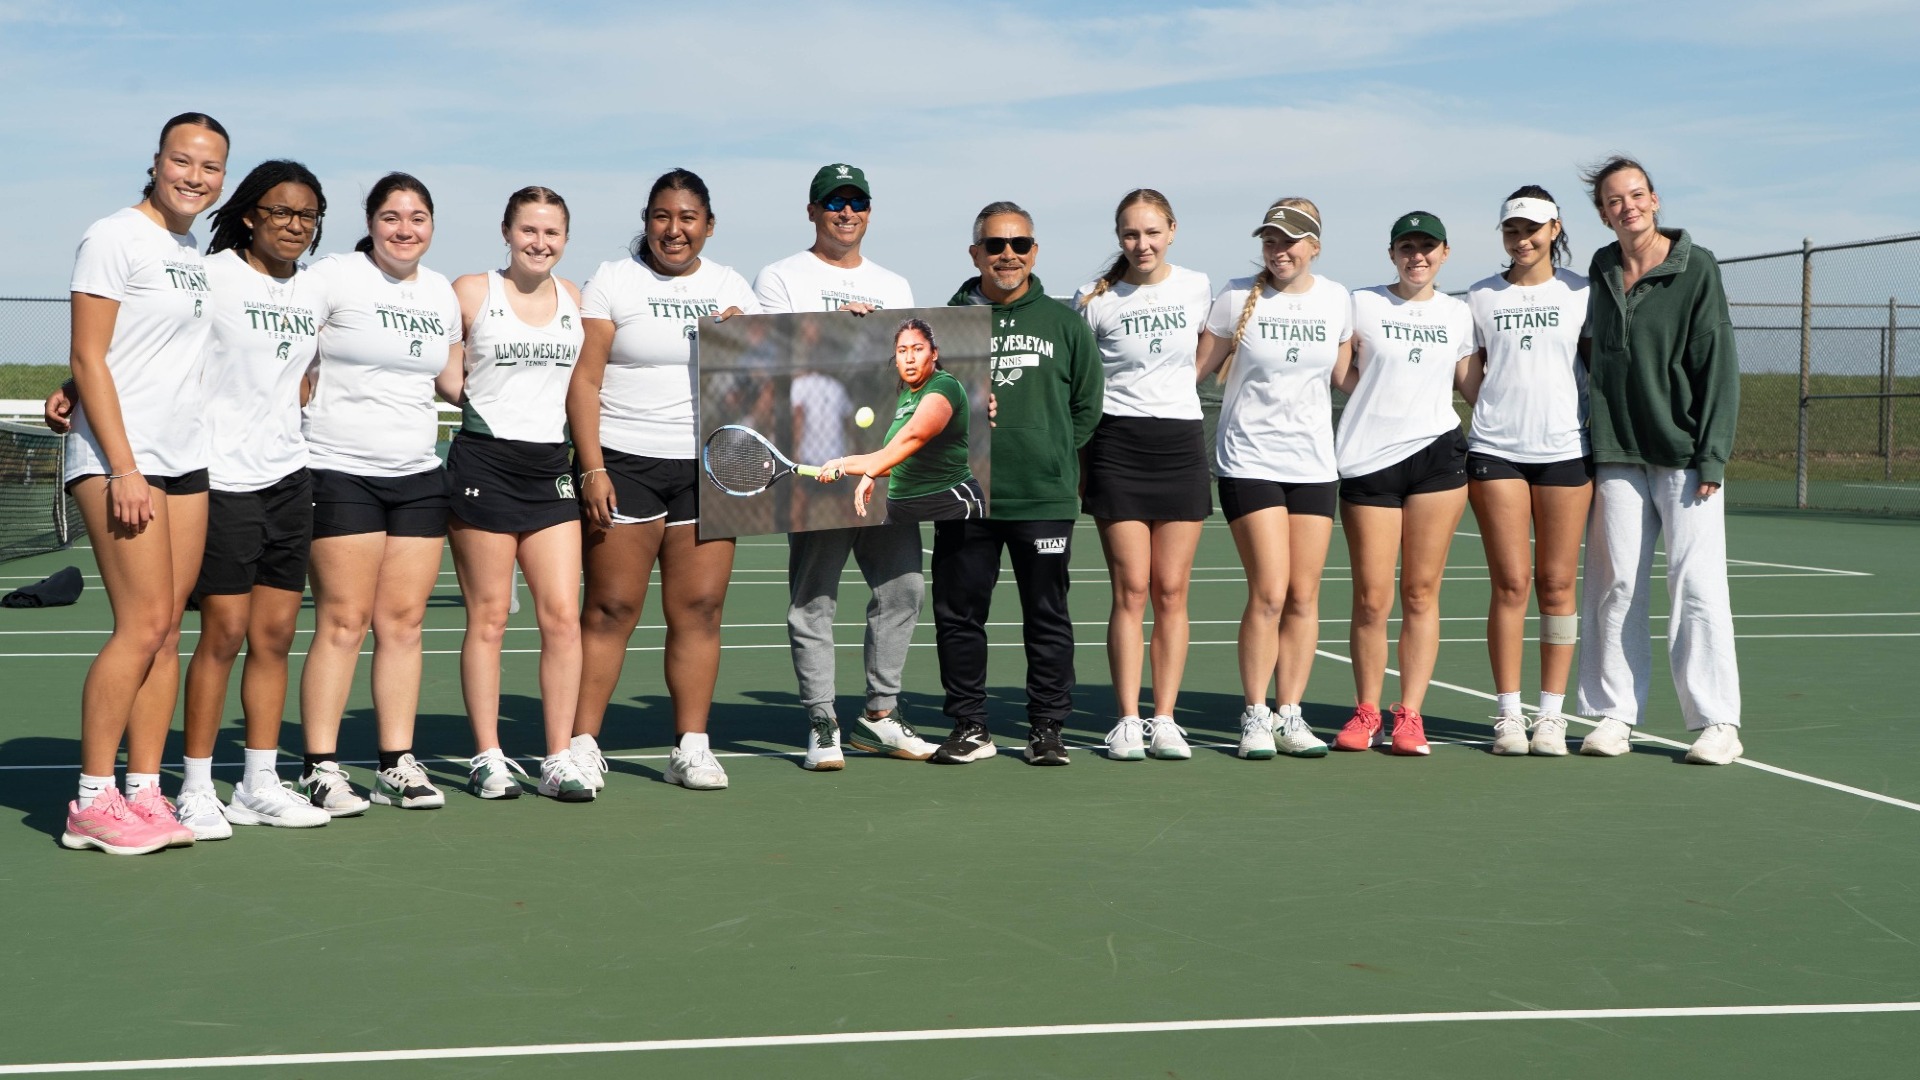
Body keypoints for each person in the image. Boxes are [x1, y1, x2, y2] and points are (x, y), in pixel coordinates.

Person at [57, 112, 228, 854]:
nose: (195, 176)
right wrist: (122, 465)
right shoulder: (113, 236)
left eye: (210, 167)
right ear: (156, 162)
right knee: (140, 626)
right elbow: (92, 356)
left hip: (187, 459)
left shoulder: (190, 251)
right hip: (121, 460)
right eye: (183, 161)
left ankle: (145, 791)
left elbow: (148, 346)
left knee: (167, 631)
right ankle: (91, 801)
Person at [567, 168, 755, 792]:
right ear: (646, 220)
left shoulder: (732, 288)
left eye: (687, 218)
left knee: (699, 609)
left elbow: (764, 384)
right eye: (661, 217)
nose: (674, 231)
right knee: (611, 608)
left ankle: (691, 747)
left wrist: (745, 340)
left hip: (707, 469)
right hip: (624, 462)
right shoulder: (615, 280)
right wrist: (591, 465)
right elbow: (586, 380)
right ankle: (583, 742)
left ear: (708, 225)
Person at [751, 164, 936, 772]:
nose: (846, 211)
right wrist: (840, 333)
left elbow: (910, 376)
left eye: (857, 201)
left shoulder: (895, 283)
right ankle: (822, 719)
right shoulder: (780, 278)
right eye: (834, 201)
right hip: (817, 458)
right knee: (815, 595)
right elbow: (774, 359)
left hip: (882, 462)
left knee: (904, 585)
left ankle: (879, 716)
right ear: (813, 211)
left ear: (869, 211)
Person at [297, 172, 463, 812]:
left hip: (419, 475)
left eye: (418, 217)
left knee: (404, 624)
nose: (405, 229)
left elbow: (455, 379)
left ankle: (396, 762)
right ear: (370, 221)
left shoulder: (441, 291)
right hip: (338, 468)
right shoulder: (334, 276)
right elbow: (279, 345)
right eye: (392, 216)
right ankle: (321, 766)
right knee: (344, 621)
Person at [1575, 156, 1744, 765]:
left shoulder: (1697, 268)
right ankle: (1614, 714)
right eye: (1615, 200)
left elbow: (1718, 364)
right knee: (1614, 585)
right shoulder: (1598, 268)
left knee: (1696, 586)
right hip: (1617, 454)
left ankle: (1717, 722)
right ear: (1603, 213)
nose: (1628, 207)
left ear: (1655, 200)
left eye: (1637, 195)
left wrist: (1713, 457)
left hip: (1684, 458)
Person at [935, 201, 1103, 766]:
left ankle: (1048, 728)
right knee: (959, 615)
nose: (1008, 254)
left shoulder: (1063, 323)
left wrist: (1048, 452)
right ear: (975, 253)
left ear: (1034, 251)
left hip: (1042, 496)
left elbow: (1086, 407)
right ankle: (970, 725)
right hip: (964, 495)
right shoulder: (942, 326)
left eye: (1020, 244)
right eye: (995, 245)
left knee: (1047, 614)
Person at [447, 187, 590, 801]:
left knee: (562, 617)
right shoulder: (471, 292)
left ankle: (558, 757)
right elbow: (443, 368)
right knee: (490, 616)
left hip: (550, 468)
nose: (539, 243)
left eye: (552, 233)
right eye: (528, 230)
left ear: (564, 239)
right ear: (506, 231)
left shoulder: (575, 299)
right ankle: (488, 756)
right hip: (484, 461)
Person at [1193, 198, 1348, 761]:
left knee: (1304, 596)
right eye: (1270, 241)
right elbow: (1192, 371)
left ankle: (1291, 714)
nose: (1278, 251)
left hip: (1313, 467)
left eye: (1289, 241)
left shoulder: (1337, 301)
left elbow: (1345, 375)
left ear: (1314, 246)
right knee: (1270, 590)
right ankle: (1255, 715)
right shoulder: (1235, 297)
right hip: (1248, 462)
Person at [1073, 189, 1211, 763]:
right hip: (1117, 446)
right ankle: (1128, 719)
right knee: (1131, 590)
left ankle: (1166, 719)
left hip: (1180, 443)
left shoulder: (1200, 288)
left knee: (1172, 591)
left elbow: (1213, 349)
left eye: (1152, 232)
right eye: (1131, 234)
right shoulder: (1094, 298)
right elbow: (1077, 379)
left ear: (1172, 231)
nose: (1142, 244)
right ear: (1119, 237)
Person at [1332, 212, 1475, 757]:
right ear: (1391, 253)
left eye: (1427, 247)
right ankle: (1367, 709)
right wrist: (1378, 405)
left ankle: (1409, 715)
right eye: (1406, 247)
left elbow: (1471, 384)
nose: (1417, 256)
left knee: (1420, 592)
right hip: (1369, 461)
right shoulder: (1362, 303)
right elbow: (1341, 373)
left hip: (1438, 459)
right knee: (1372, 598)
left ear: (1445, 252)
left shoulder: (1458, 314)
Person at [1462, 187, 1592, 757]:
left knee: (1558, 585)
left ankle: (1552, 716)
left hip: (1566, 451)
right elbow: (1470, 372)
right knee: (1511, 583)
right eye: (1512, 230)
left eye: (1533, 229)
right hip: (1496, 452)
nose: (1522, 240)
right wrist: (1493, 406)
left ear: (1555, 229)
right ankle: (1509, 715)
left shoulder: (1585, 293)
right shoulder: (1480, 296)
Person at [823, 317, 983, 523]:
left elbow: (916, 434)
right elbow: (895, 457)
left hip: (948, 505)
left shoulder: (945, 386)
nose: (909, 358)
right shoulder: (906, 398)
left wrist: (871, 474)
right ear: (896, 358)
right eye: (902, 351)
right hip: (901, 513)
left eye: (917, 349)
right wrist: (841, 464)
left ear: (934, 353)